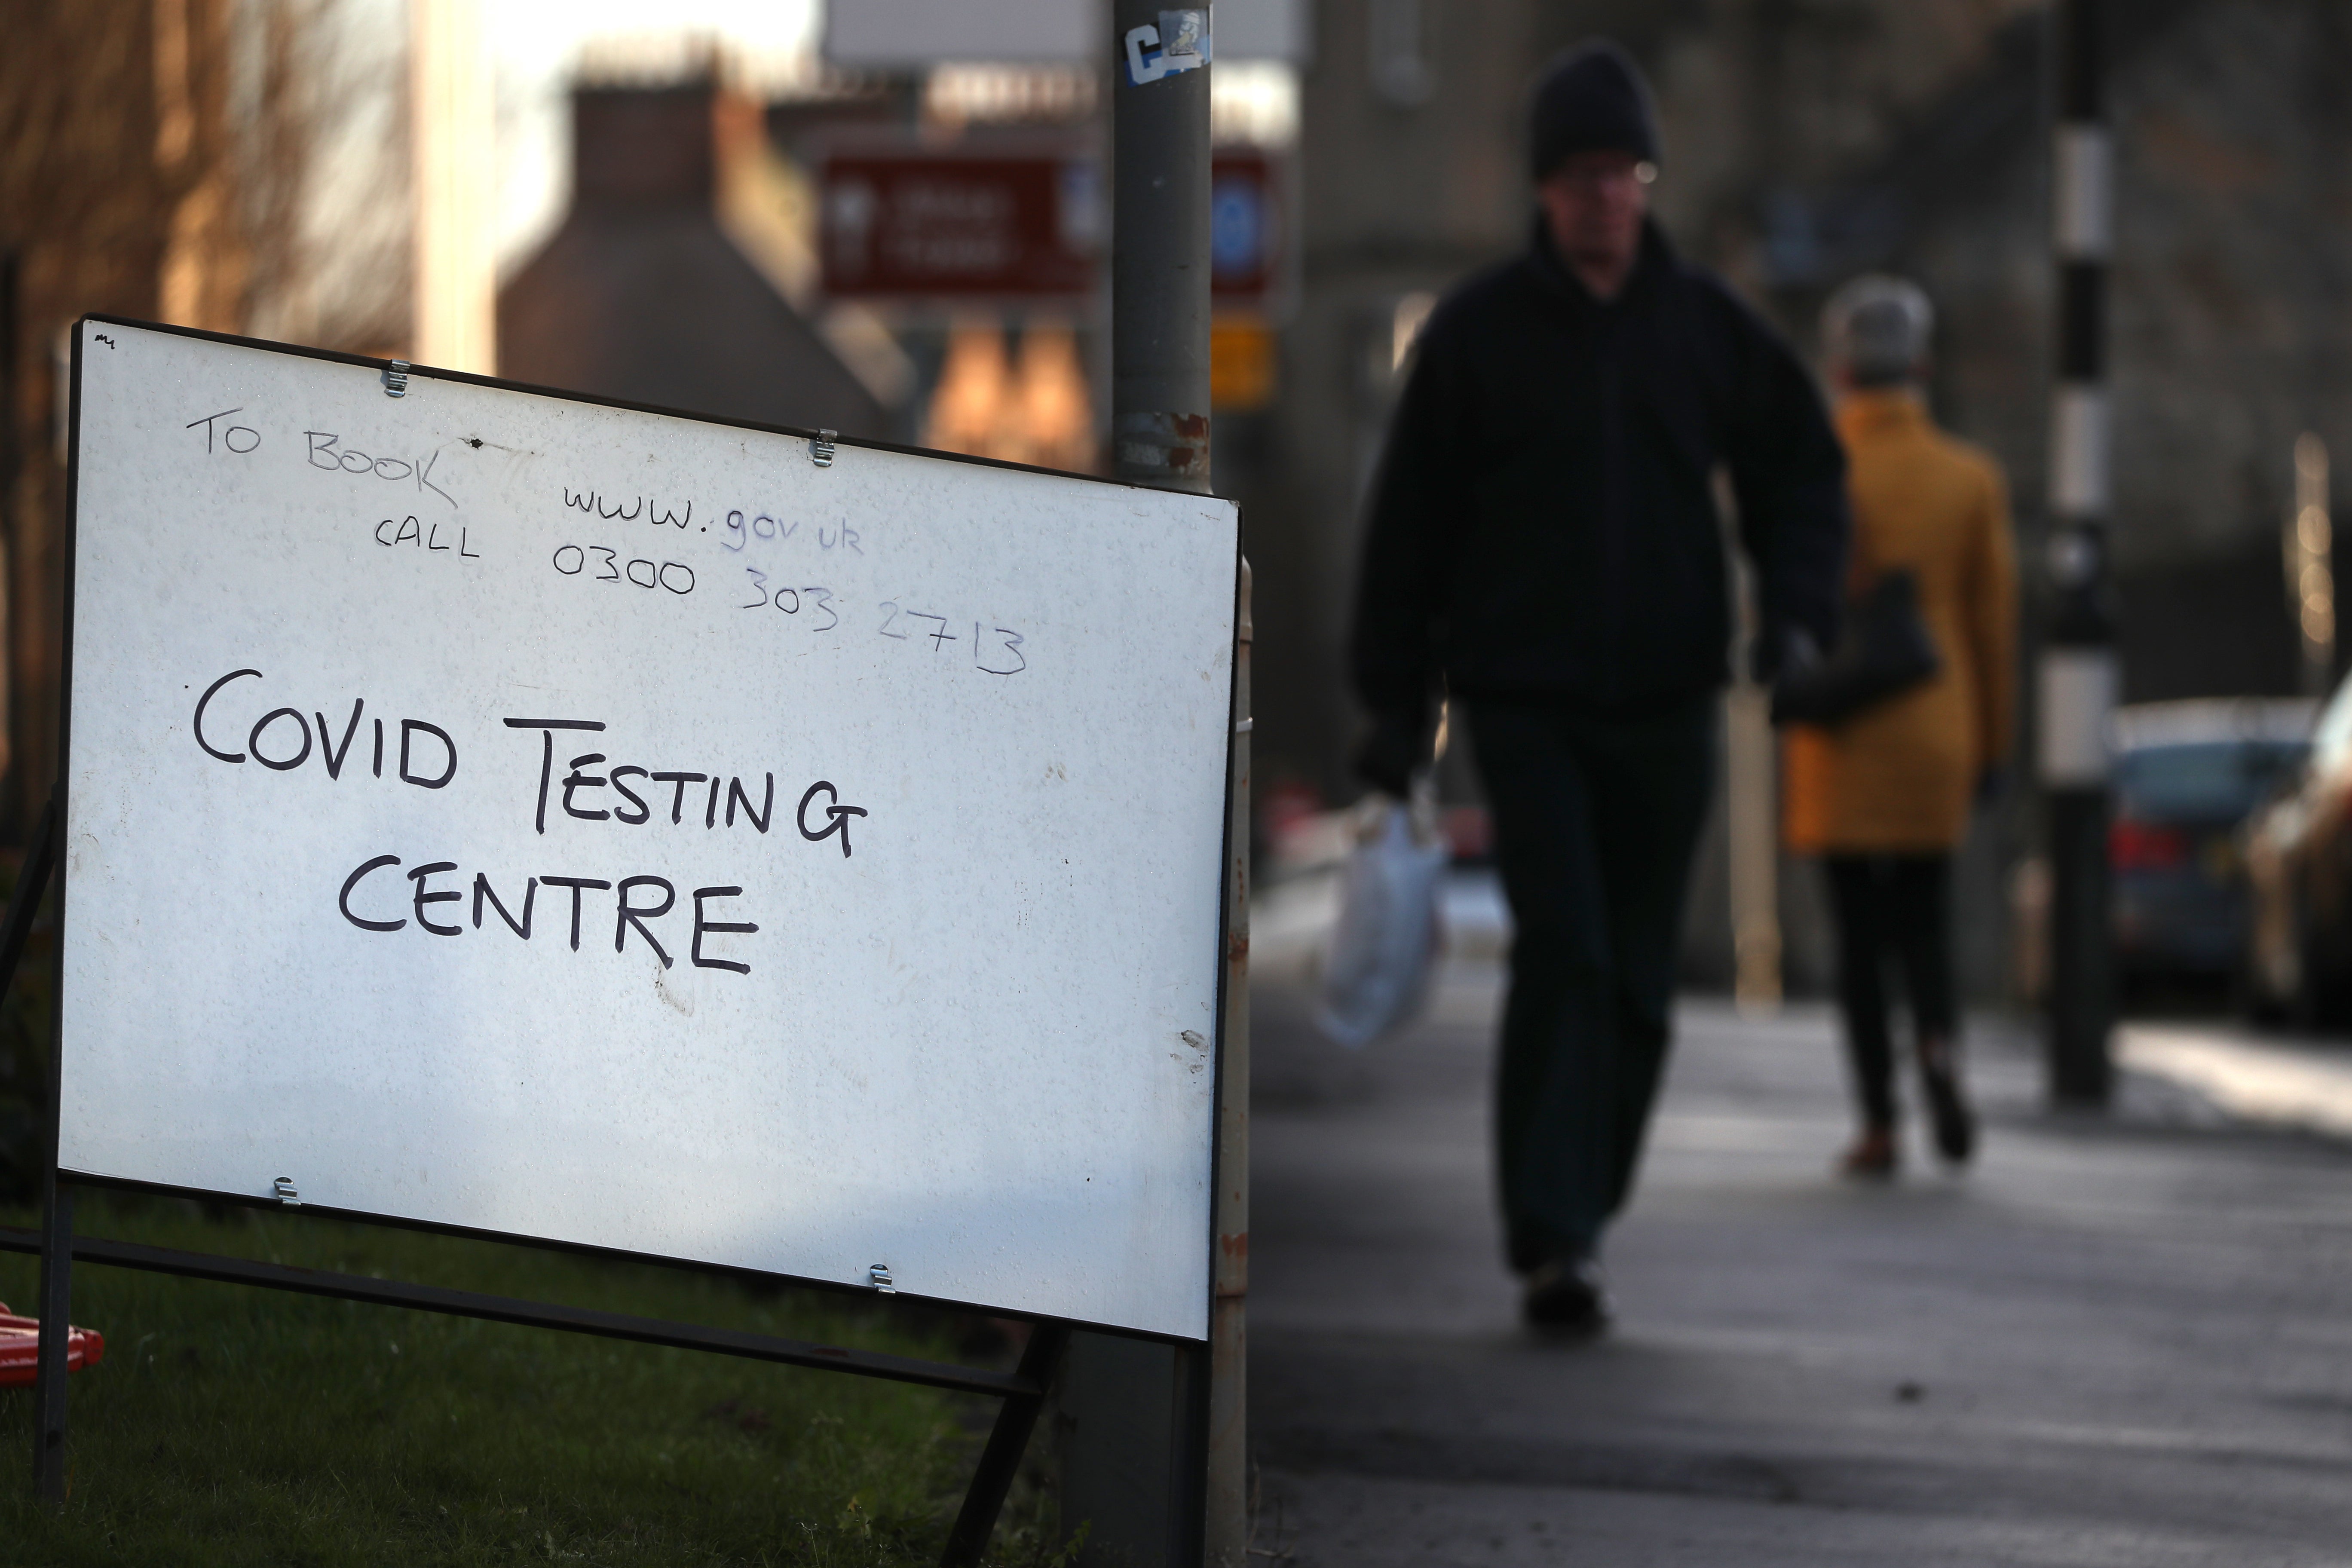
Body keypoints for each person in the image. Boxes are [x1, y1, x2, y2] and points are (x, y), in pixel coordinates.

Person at [1351, 41, 1849, 1336]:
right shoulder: (1476, 339)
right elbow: (1406, 535)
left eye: (1624, 172)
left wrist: (1795, 619)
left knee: (1637, 977)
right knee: (1565, 948)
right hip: (1526, 701)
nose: (1605, 197)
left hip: (1671, 699)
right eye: (1580, 176)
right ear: (1543, 191)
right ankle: (1551, 1238)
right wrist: (1392, 712)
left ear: (1647, 182)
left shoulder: (1705, 328)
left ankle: (1581, 1209)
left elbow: (1804, 470)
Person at [1782, 275, 2017, 1179]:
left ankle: (1879, 1123)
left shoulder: (1813, 468)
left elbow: (1787, 598)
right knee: (1925, 924)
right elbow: (1994, 631)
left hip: (1842, 733)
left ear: (1840, 370)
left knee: (1856, 940)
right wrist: (1994, 749)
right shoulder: (1970, 480)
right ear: (1920, 367)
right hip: (1936, 730)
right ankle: (1941, 1054)